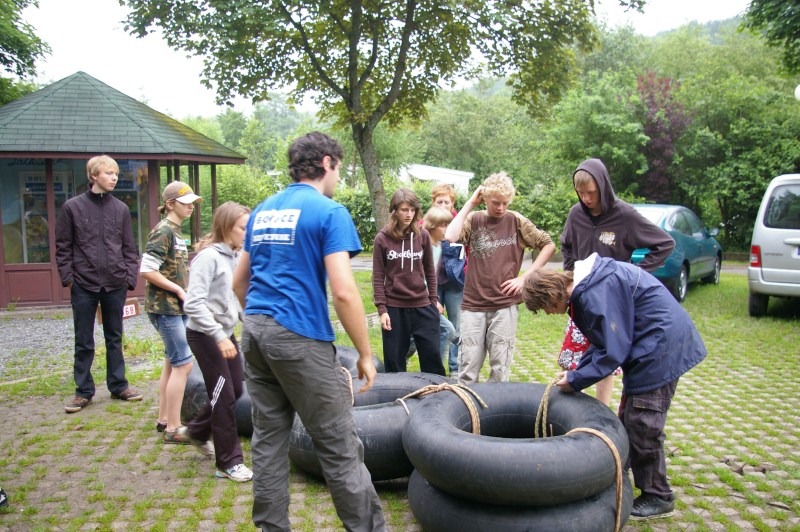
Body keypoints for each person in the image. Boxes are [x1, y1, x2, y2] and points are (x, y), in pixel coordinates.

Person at [232, 131, 386, 531]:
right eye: (339, 167)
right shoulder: (329, 212)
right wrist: (365, 354)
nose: (339, 176)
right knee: (338, 444)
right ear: (327, 163)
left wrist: (263, 319)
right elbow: (344, 292)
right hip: (299, 337)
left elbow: (238, 282)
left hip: (255, 331)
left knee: (268, 439)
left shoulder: (263, 210)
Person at [521, 253, 707, 521]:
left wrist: (576, 380)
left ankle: (659, 496)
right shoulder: (586, 289)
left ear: (551, 295)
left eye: (544, 308)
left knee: (643, 424)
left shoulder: (592, 293)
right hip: (648, 346)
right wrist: (576, 373)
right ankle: (618, 476)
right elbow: (602, 342)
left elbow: (613, 351)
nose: (549, 313)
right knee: (630, 418)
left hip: (660, 348)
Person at [560, 158, 675, 405]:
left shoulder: (624, 215)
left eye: (591, 192)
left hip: (611, 304)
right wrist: (569, 274)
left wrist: (636, 276)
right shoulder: (576, 214)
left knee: (606, 360)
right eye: (581, 193)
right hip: (580, 301)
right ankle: (569, 414)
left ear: (603, 186)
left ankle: (601, 415)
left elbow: (665, 244)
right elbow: (566, 244)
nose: (586, 198)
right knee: (571, 360)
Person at [445, 172, 556, 384]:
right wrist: (470, 203)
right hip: (473, 305)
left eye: (505, 203)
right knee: (467, 370)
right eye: (496, 202)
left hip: (505, 306)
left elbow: (548, 245)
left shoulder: (516, 221)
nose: (501, 208)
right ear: (485, 198)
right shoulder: (474, 219)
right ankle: (468, 405)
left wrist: (525, 278)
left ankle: (495, 407)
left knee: (500, 370)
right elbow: (450, 236)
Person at [56, 155, 142, 413]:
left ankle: (119, 385)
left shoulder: (121, 209)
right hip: (84, 283)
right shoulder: (72, 207)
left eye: (116, 174)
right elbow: (63, 247)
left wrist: (129, 278)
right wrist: (69, 279)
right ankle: (83, 392)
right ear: (94, 176)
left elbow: (129, 247)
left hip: (115, 282)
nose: (114, 178)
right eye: (108, 173)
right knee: (83, 340)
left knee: (114, 336)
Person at [181, 202, 253, 482]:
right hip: (205, 335)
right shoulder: (208, 258)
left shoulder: (236, 256)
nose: (248, 233)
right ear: (226, 227)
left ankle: (197, 430)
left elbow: (234, 297)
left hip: (224, 333)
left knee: (235, 389)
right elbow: (193, 304)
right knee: (223, 396)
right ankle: (229, 462)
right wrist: (219, 335)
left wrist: (251, 323)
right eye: (243, 228)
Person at [140, 180, 202, 443]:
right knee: (183, 364)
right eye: (186, 203)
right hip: (165, 309)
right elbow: (147, 269)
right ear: (170, 204)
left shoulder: (176, 231)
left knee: (171, 361)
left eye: (193, 203)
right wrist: (177, 289)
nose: (191, 207)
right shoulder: (163, 230)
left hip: (177, 307)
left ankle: (164, 418)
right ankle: (174, 429)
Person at [373, 189, 445, 376]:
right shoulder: (382, 239)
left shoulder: (423, 235)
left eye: (412, 210)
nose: (409, 214)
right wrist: (382, 309)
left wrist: (433, 300)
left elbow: (430, 271)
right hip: (394, 307)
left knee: (433, 361)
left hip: (422, 305)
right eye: (404, 210)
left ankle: (435, 392)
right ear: (394, 210)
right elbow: (378, 277)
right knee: (394, 363)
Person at [430, 184, 465, 375]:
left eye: (446, 202)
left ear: (452, 204)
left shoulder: (460, 222)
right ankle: (436, 367)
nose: (443, 205)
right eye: (439, 202)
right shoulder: (426, 224)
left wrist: (464, 271)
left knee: (455, 326)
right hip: (433, 284)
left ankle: (454, 368)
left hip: (454, 284)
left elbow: (468, 251)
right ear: (433, 202)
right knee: (435, 325)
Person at [421, 207, 458, 374]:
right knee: (447, 329)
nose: (447, 229)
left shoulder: (438, 245)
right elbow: (418, 278)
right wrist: (433, 300)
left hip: (426, 299)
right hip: (419, 300)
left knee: (444, 330)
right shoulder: (424, 245)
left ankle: (434, 371)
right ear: (432, 226)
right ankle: (434, 372)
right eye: (443, 225)